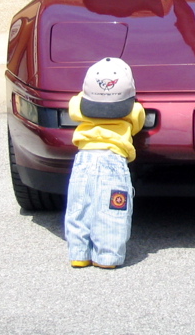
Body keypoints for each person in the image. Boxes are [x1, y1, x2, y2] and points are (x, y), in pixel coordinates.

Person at [64, 57, 145, 269]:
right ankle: (107, 256)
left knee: (79, 207)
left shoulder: (78, 106)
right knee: (112, 210)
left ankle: (79, 254)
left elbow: (75, 103)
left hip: (84, 159)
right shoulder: (133, 110)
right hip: (113, 160)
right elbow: (137, 123)